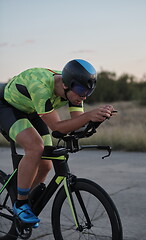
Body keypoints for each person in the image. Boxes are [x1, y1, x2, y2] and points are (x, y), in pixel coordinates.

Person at [0, 59, 116, 227]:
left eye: (88, 93)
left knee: (46, 164)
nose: (83, 96)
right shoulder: (41, 87)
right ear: (67, 85)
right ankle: (20, 203)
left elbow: (77, 124)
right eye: (82, 91)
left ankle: (25, 198)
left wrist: (98, 118)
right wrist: (89, 115)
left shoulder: (76, 90)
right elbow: (57, 128)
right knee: (35, 148)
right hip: (8, 108)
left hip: (32, 110)